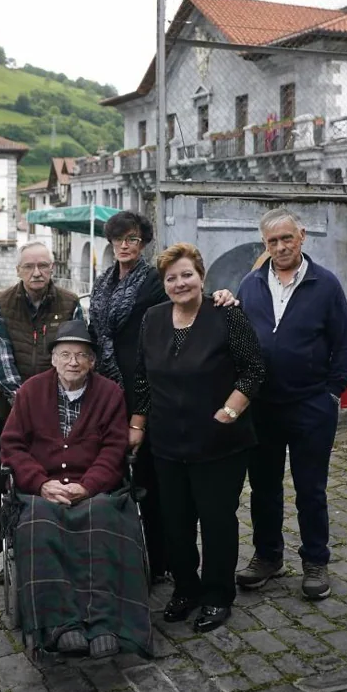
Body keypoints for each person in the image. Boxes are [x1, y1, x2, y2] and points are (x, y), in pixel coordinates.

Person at [88, 210, 236, 584]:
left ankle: (159, 561)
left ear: (144, 242)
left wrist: (222, 295)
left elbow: (189, 298)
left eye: (133, 238)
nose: (125, 244)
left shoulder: (155, 280)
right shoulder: (103, 281)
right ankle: (119, 554)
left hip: (148, 387)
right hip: (108, 388)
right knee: (114, 477)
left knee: (153, 484)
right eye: (119, 238)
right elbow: (95, 331)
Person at [130, 243, 265, 632]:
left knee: (217, 521)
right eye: (171, 278)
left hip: (220, 442)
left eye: (187, 274)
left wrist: (230, 411)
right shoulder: (152, 319)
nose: (179, 283)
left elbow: (253, 370)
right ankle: (185, 590)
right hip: (168, 442)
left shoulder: (225, 314)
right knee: (176, 522)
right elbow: (141, 376)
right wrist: (137, 426)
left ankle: (218, 595)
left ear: (202, 277)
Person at [0, 320, 151, 658]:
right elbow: (12, 446)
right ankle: (59, 624)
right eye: (65, 354)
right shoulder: (30, 392)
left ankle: (104, 623)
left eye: (82, 355)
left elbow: (114, 449)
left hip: (95, 488)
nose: (73, 362)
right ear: (52, 358)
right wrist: (41, 483)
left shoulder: (110, 393)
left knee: (102, 517)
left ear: (93, 361)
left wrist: (88, 486)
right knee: (38, 522)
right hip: (42, 489)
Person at [235, 208, 347, 601]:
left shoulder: (325, 284)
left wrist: (332, 393)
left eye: (287, 238)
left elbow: (344, 344)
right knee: (264, 488)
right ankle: (268, 557)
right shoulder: (251, 284)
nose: (281, 246)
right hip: (263, 407)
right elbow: (238, 340)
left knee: (311, 489)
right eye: (273, 241)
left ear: (301, 236)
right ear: (264, 244)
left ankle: (315, 561)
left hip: (311, 406)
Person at [0, 242, 83, 579]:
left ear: (53, 268)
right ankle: (0, 538)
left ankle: (0, 536)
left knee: (50, 480)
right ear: (18, 270)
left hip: (57, 414)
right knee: (6, 485)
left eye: (43, 266)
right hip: (9, 413)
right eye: (29, 266)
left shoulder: (70, 303)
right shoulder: (2, 302)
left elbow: (74, 353)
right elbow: (1, 359)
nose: (37, 273)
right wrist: (31, 404)